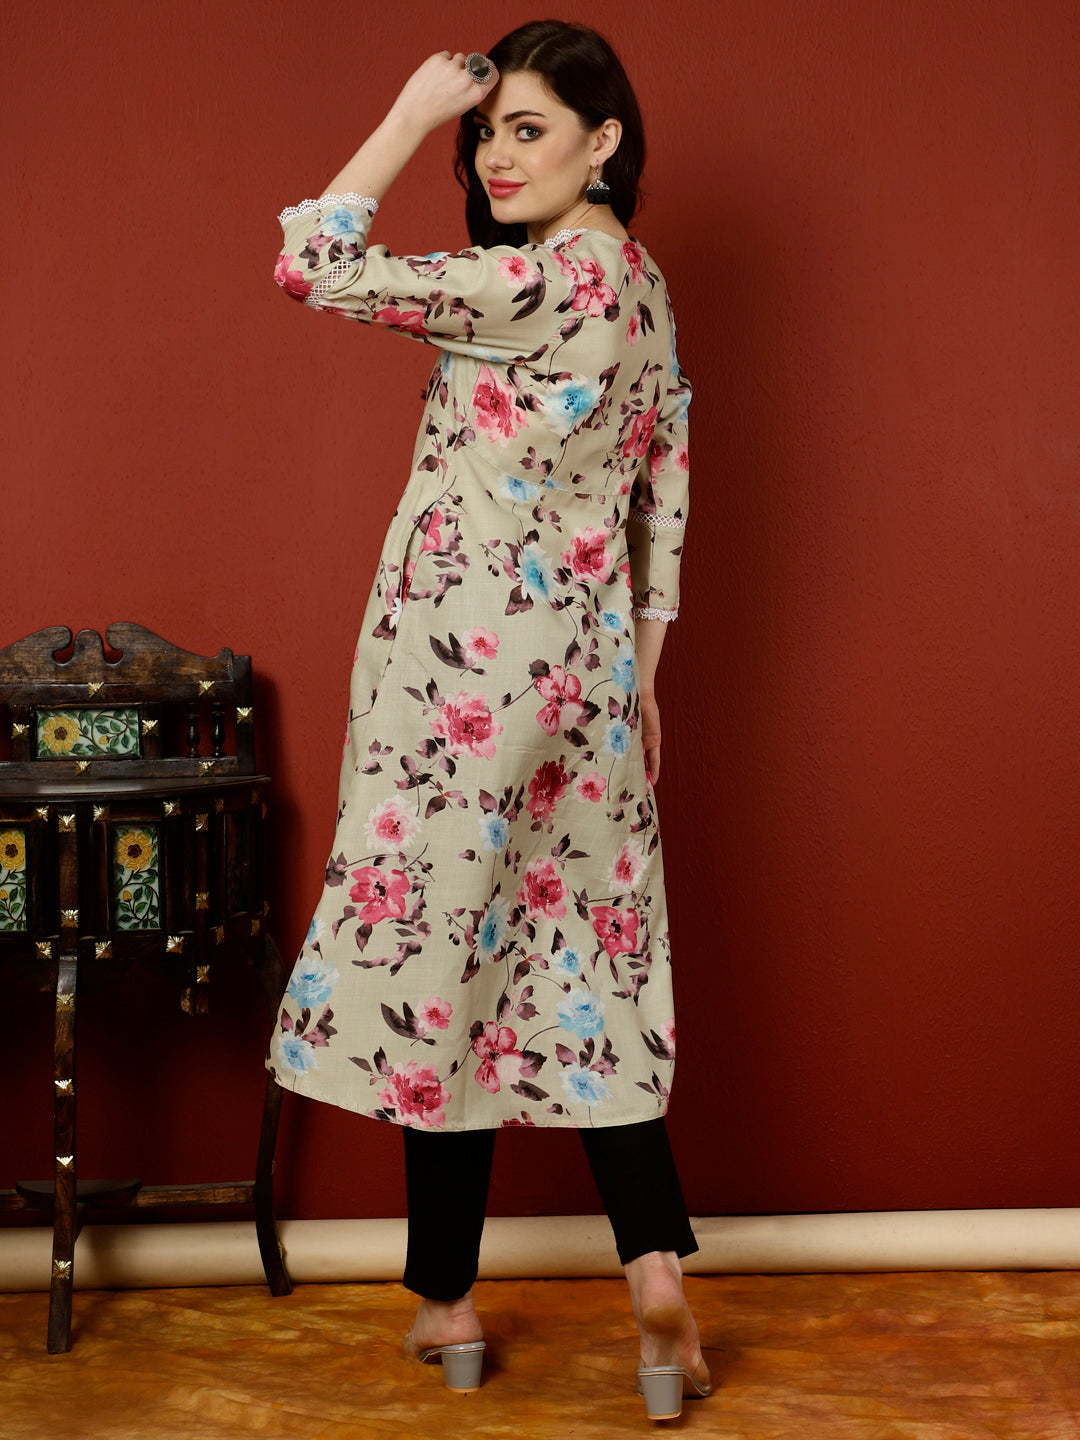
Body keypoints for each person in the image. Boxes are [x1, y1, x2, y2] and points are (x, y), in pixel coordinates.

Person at [269, 20, 709, 1420]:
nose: (497, 157)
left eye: (529, 128)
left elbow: (312, 262)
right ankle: (655, 1283)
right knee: (587, 966)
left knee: (444, 962)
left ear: (604, 139)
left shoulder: (523, 282)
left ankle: (448, 1303)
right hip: (588, 676)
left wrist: (407, 117)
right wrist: (643, 676)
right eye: (483, 133)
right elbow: (667, 493)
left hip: (457, 679)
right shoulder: (643, 289)